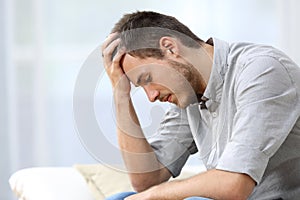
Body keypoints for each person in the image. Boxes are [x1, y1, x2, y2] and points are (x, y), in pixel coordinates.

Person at [101, 11, 300, 200]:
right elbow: (147, 180)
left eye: (147, 78)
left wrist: (153, 195)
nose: (151, 96)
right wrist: (121, 94)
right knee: (120, 198)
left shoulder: (262, 70)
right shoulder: (190, 93)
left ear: (170, 48)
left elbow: (234, 185)